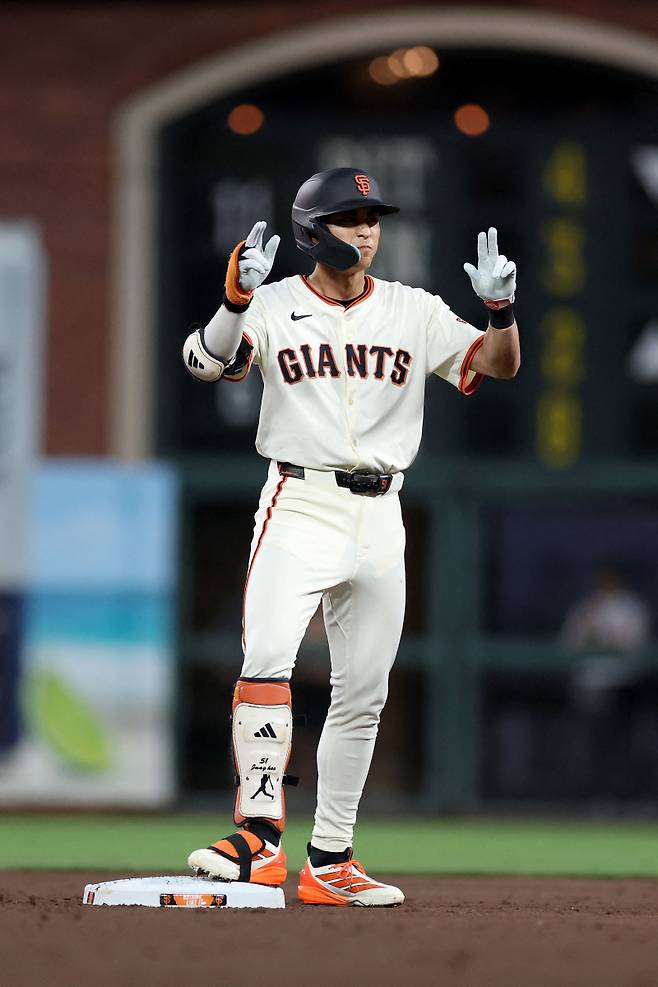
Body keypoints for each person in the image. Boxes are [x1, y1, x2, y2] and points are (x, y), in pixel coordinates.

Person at [183, 167, 520, 906]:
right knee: (268, 655)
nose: (366, 231)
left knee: (365, 689)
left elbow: (496, 365)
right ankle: (259, 838)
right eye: (349, 218)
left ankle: (330, 857)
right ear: (312, 230)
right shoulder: (271, 304)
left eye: (373, 218)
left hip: (382, 510)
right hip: (300, 498)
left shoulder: (412, 309)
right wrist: (236, 300)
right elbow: (207, 362)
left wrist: (499, 311)